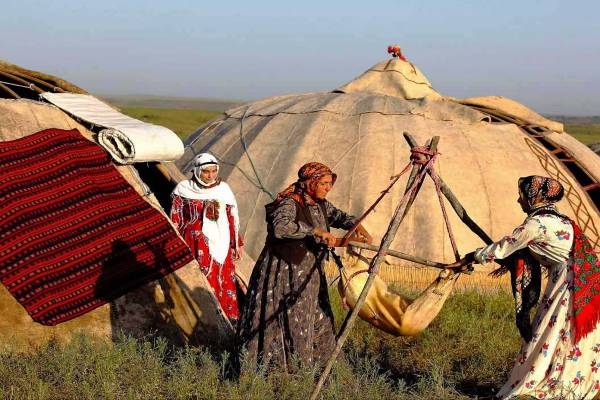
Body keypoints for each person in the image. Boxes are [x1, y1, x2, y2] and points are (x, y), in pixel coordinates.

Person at [449, 175, 600, 400]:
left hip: (570, 285)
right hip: (581, 281)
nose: (518, 200)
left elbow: (504, 247)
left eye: (521, 195)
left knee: (551, 331)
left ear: (534, 197)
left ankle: (547, 385)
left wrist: (471, 257)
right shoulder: (562, 220)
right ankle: (572, 382)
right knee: (566, 334)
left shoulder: (536, 224)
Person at [237, 161, 372, 372]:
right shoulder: (290, 203)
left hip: (309, 270)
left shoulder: (319, 203)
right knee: (289, 316)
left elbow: (338, 216)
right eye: (324, 183)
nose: (328, 188)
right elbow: (280, 228)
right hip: (285, 270)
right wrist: (315, 231)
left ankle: (316, 368)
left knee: (313, 314)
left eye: (330, 184)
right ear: (311, 182)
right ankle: (283, 370)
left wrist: (356, 226)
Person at [170, 153, 242, 322]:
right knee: (201, 278)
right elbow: (176, 217)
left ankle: (227, 320)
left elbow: (232, 216)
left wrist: (236, 243)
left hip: (222, 242)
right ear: (197, 171)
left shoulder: (223, 189)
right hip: (195, 242)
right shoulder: (184, 189)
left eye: (214, 171)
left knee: (223, 278)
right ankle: (202, 319)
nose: (210, 176)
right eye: (206, 172)